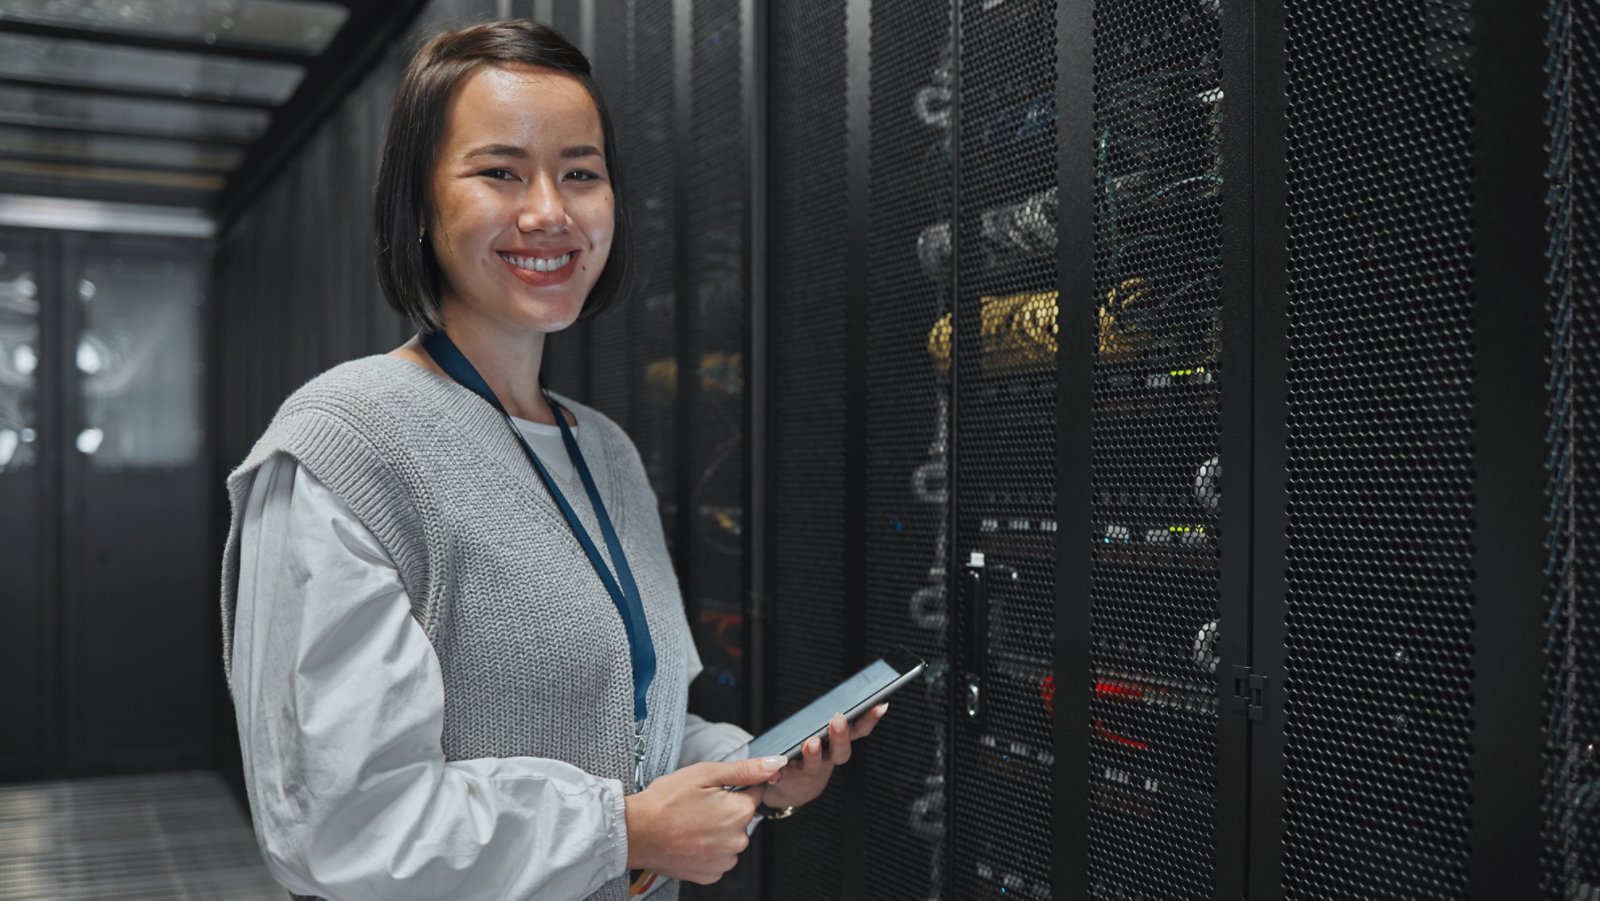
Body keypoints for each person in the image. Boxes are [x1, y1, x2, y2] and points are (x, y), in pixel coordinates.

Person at [219, 20, 886, 901]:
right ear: (419, 206)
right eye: (501, 171)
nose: (550, 211)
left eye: (581, 172)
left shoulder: (601, 448)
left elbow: (622, 721)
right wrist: (627, 828)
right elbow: (339, 823)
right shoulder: (349, 445)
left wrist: (745, 768)